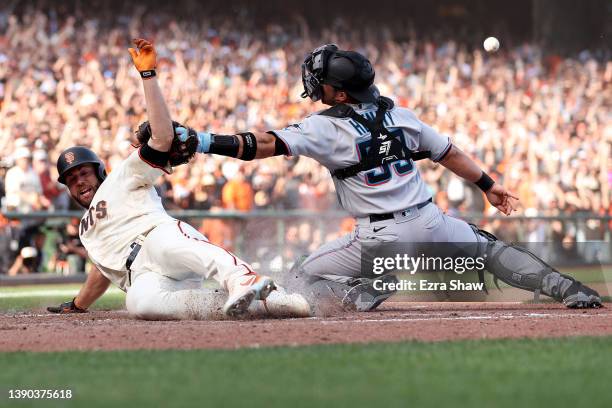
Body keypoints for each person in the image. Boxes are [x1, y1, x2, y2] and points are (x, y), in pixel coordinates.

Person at [175, 43, 602, 311]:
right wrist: (489, 187)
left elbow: (260, 146)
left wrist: (201, 140)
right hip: (430, 222)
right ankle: (566, 288)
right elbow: (448, 153)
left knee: (300, 276)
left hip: (377, 237)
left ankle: (367, 287)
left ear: (341, 94)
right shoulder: (401, 116)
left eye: (324, 83)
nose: (317, 86)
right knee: (492, 250)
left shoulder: (326, 126)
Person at [47, 39, 309, 320]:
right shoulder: (86, 230)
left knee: (167, 245)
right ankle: (268, 303)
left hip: (156, 239)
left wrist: (148, 76)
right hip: (142, 274)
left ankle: (241, 278)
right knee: (140, 304)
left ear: (99, 171)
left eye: (83, 172)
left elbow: (162, 138)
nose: (79, 181)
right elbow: (102, 269)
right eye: (72, 179)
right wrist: (78, 304)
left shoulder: (123, 175)